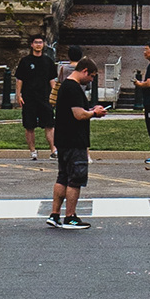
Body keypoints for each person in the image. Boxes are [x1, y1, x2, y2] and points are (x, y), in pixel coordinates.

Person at [50, 57, 102, 228]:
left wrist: (90, 110)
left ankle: (54, 214)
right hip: (74, 140)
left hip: (63, 139)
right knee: (75, 179)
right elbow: (78, 114)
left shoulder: (65, 85)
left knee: (62, 177)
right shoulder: (73, 88)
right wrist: (94, 113)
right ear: (85, 71)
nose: (92, 80)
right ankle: (70, 216)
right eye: (92, 76)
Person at [17, 30, 56, 163]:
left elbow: (52, 80)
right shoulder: (25, 61)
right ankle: (33, 151)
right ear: (31, 45)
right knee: (29, 126)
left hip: (45, 98)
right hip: (29, 98)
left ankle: (53, 150)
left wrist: (55, 94)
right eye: (36, 43)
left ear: (44, 44)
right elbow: (19, 79)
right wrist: (18, 95)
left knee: (49, 125)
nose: (39, 45)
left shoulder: (48, 61)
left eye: (41, 42)